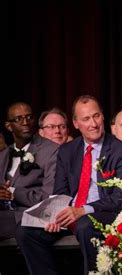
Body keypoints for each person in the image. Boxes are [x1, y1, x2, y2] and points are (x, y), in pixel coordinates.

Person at [15, 95, 122, 275]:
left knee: (85, 225)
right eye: (86, 119)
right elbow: (60, 191)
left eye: (96, 116)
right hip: (70, 214)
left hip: (101, 215)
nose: (93, 124)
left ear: (103, 116)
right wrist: (54, 215)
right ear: (75, 123)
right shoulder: (67, 150)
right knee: (24, 232)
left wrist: (83, 210)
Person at [0, 102, 59, 240]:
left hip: (28, 216)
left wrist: (13, 192)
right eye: (18, 119)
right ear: (9, 126)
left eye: (29, 117)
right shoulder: (3, 155)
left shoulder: (51, 150)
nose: (25, 122)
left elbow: (49, 198)